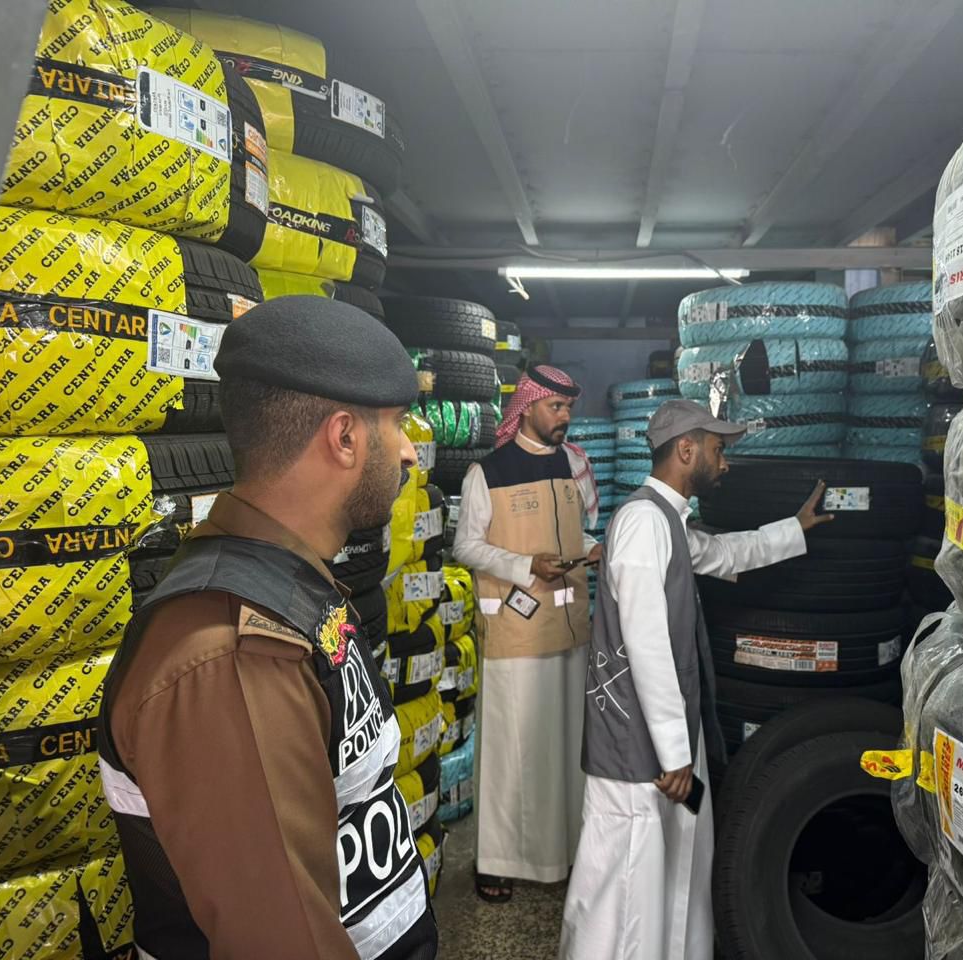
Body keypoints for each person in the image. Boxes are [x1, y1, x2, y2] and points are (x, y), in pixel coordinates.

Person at [97, 297, 438, 960]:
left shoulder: (295, 587)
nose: (408, 452)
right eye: (396, 425)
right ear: (344, 437)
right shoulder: (228, 654)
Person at [559, 399, 832, 960]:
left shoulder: (668, 521)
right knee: (623, 888)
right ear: (686, 449)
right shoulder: (642, 523)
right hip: (638, 745)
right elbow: (648, 644)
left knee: (673, 868)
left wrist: (794, 529)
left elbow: (725, 552)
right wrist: (674, 754)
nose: (724, 462)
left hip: (670, 741)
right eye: (717, 448)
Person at [452, 363, 600, 903]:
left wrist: (592, 550)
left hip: (569, 627)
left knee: (564, 748)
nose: (564, 417)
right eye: (556, 407)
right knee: (513, 750)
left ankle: (564, 851)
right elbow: (465, 546)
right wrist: (524, 565)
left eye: (569, 409)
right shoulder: (487, 473)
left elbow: (576, 531)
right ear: (529, 406)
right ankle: (498, 862)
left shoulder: (573, 465)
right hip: (516, 631)